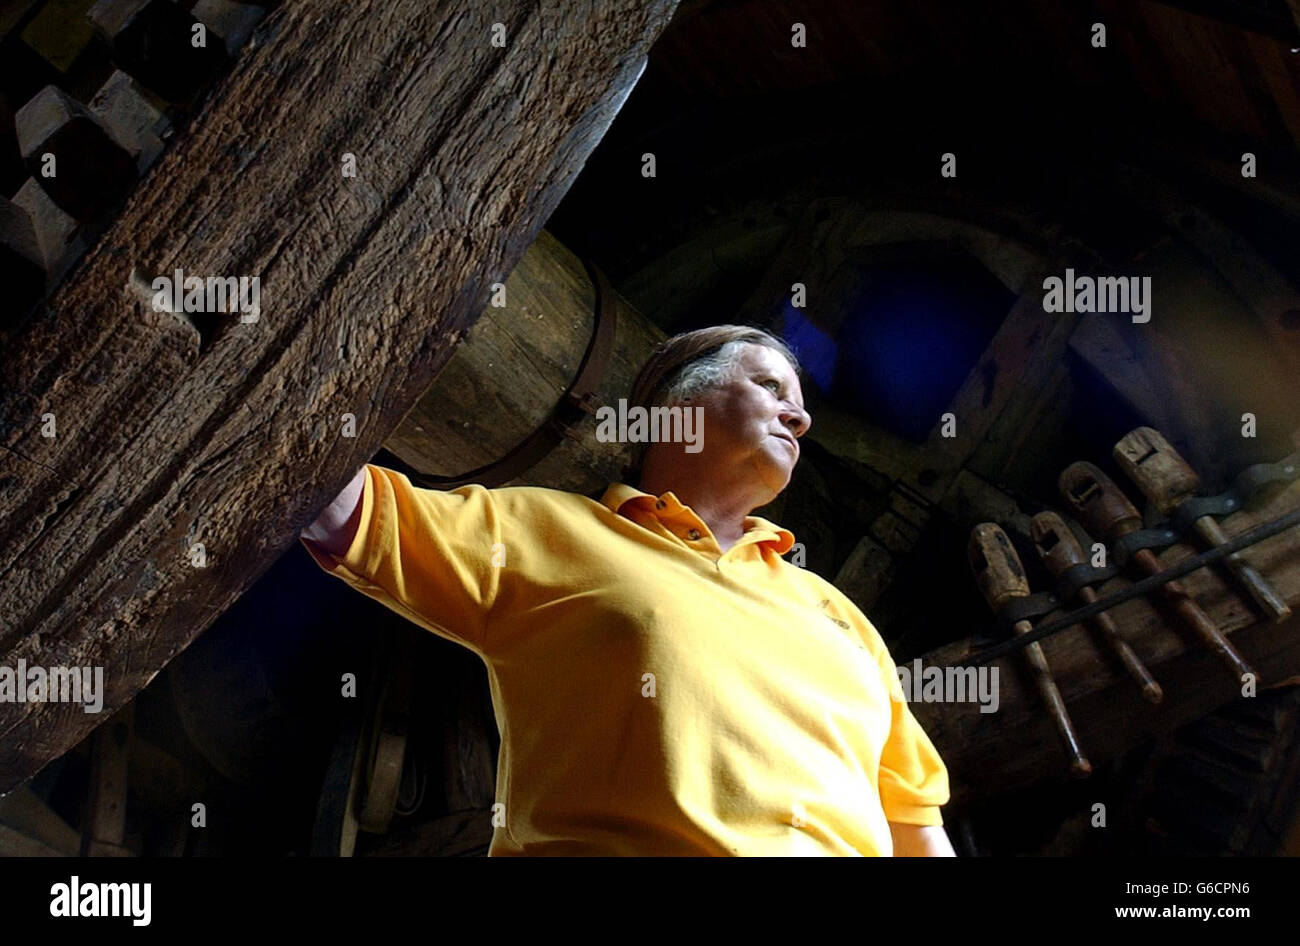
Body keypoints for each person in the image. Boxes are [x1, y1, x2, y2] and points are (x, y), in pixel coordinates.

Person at [300, 324, 954, 856]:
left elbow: (915, 824)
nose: (801, 417)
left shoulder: (839, 616)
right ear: (682, 409)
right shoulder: (547, 531)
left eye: (800, 399)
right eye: (768, 384)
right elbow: (339, 511)